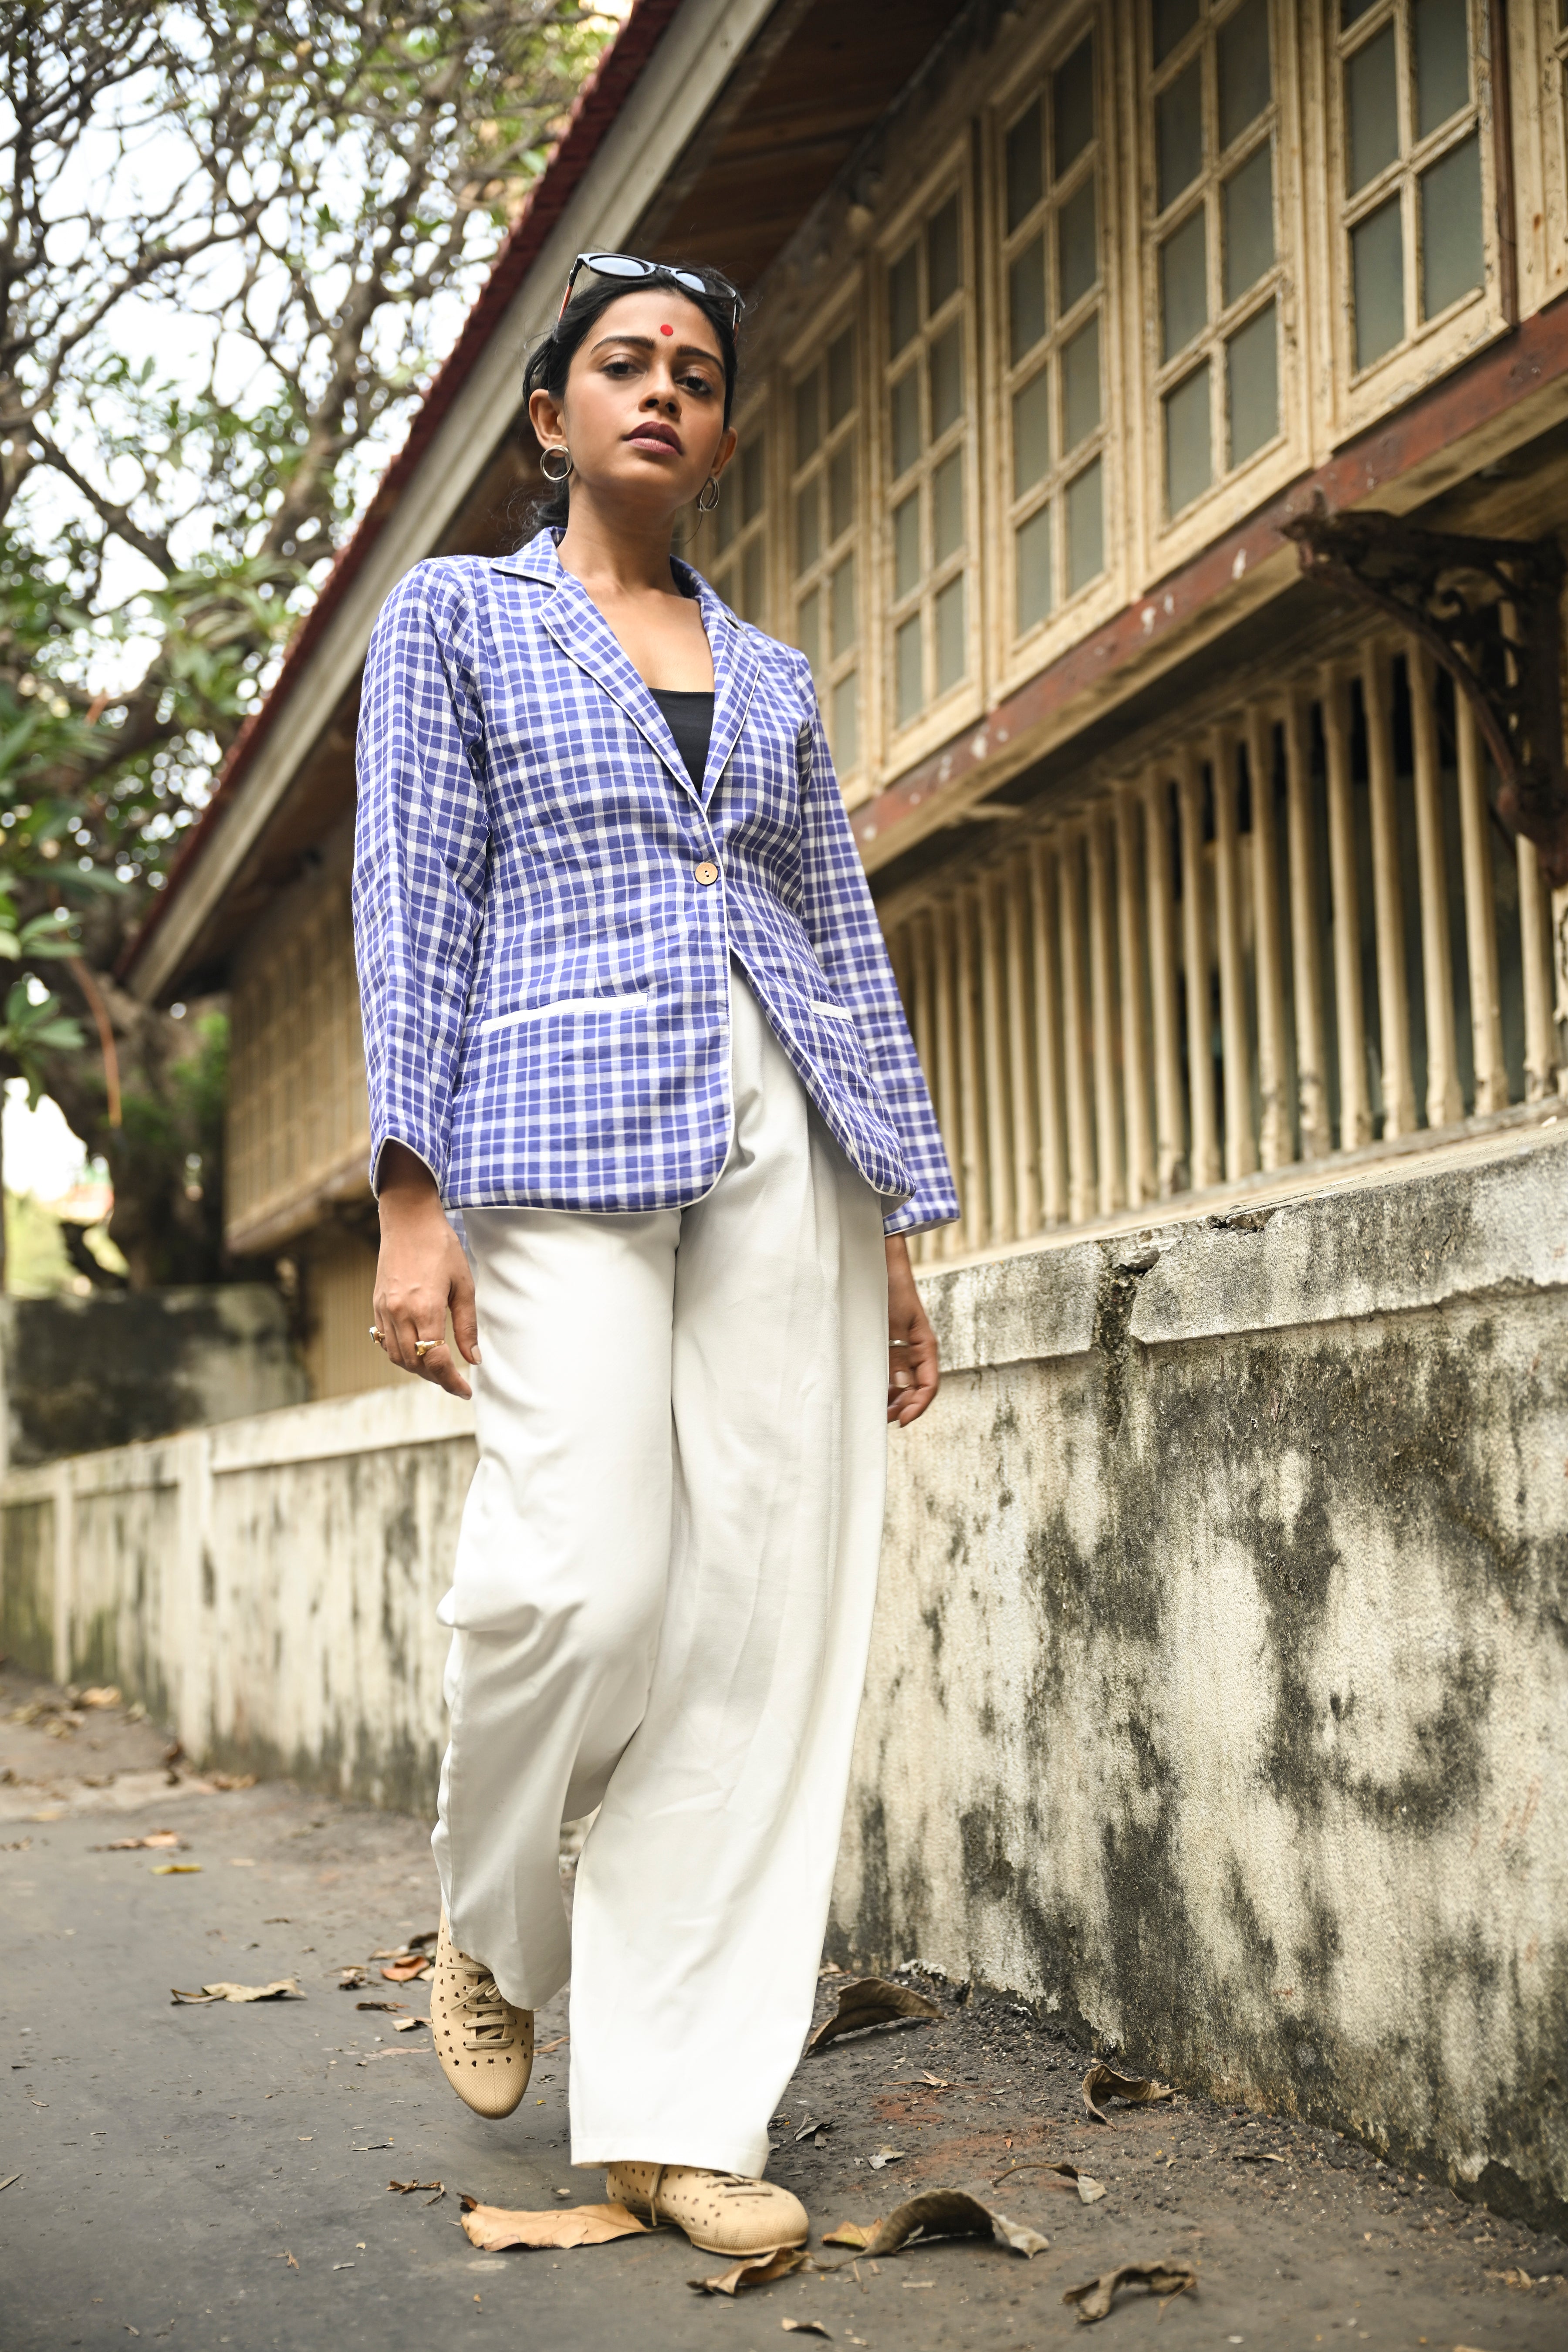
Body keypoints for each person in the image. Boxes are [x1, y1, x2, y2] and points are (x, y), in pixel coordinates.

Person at [352, 250, 958, 2258]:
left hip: (785, 1143)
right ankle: (498, 1918)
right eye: (623, 364)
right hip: (546, 1143)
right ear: (551, 417)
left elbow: (839, 945)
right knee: (580, 1584)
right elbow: (415, 895)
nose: (663, 394)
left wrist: (892, 1232)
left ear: (719, 428)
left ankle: (680, 2113)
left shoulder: (770, 676)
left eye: (697, 373)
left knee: (757, 1622)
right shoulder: (459, 618)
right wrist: (409, 1190)